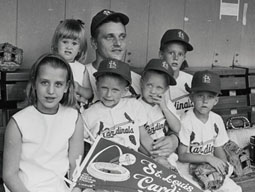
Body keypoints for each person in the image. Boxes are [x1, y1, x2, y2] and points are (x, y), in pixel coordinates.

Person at [3, 53, 84, 192]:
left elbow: (75, 166)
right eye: (44, 82)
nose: (51, 91)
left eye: (58, 84)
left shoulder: (73, 118)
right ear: (35, 83)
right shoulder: (18, 122)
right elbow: (10, 175)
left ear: (66, 87)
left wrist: (75, 189)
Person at [177, 70, 242, 191]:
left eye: (210, 97)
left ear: (216, 100)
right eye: (200, 95)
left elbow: (218, 149)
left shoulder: (216, 119)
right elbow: (182, 155)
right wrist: (208, 158)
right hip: (189, 168)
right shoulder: (186, 120)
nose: (205, 101)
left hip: (209, 166)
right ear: (192, 97)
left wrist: (221, 167)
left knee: (235, 189)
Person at [83, 9, 141, 103]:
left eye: (122, 36)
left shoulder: (137, 81)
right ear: (94, 43)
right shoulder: (80, 76)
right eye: (110, 37)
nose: (118, 43)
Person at [139, 58, 181, 169]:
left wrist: (164, 108)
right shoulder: (136, 106)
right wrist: (156, 157)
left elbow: (176, 128)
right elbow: (140, 138)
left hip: (168, 153)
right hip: (146, 154)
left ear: (166, 89)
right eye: (149, 85)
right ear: (142, 83)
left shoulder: (166, 104)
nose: (153, 91)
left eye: (159, 88)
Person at [51, 19, 92, 107]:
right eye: (65, 42)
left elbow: (89, 93)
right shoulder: (51, 64)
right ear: (56, 44)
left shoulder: (81, 69)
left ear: (80, 48)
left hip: (75, 110)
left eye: (74, 43)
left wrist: (79, 88)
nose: (69, 47)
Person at [159, 29, 194, 117]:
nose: (176, 58)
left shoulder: (191, 81)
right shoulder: (154, 81)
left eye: (180, 54)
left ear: (184, 57)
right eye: (171, 53)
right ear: (161, 54)